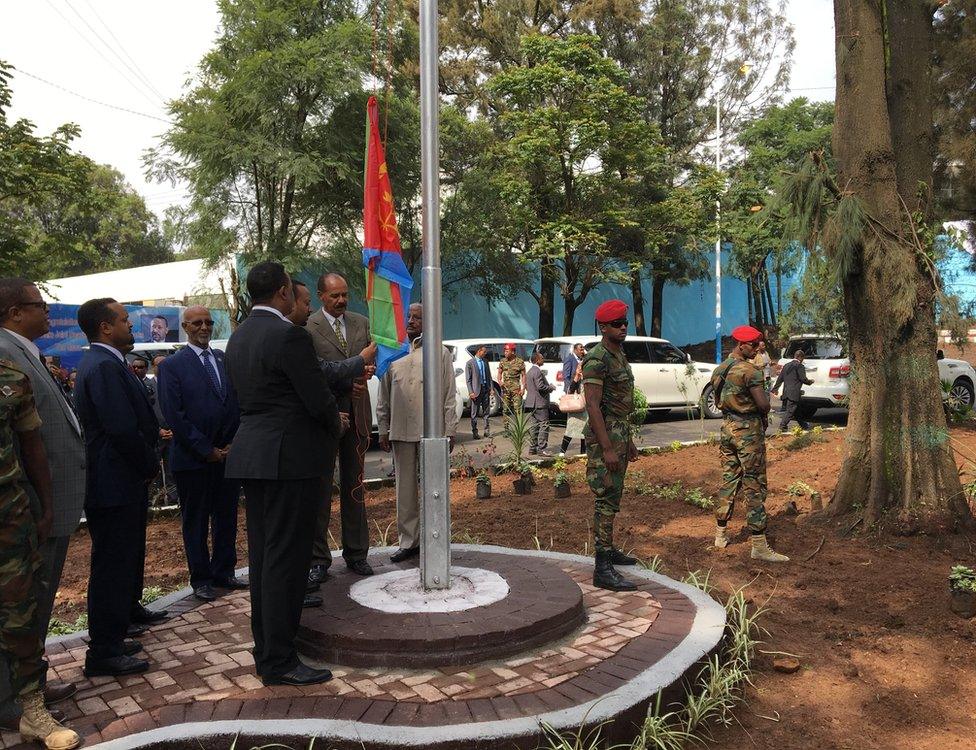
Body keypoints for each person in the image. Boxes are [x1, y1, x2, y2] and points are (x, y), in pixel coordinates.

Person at [223, 262, 345, 687]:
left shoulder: (238, 337)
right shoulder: (289, 335)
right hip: (289, 460)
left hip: (253, 457)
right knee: (286, 562)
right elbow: (316, 398)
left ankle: (268, 650)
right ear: (281, 293)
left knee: (264, 559)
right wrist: (336, 424)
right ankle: (278, 660)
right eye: (295, 293)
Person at [0, 279, 84, 726]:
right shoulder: (5, 355)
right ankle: (12, 699)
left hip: (44, 503)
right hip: (24, 510)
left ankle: (32, 683)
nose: (47, 312)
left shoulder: (21, 351)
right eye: (39, 305)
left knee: (38, 601)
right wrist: (39, 505)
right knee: (22, 605)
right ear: (15, 312)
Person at [74, 298, 163, 678]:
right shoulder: (103, 366)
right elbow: (122, 428)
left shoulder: (108, 362)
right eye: (125, 320)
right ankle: (104, 651)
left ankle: (116, 631)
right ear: (106, 328)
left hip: (120, 479)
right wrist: (148, 463)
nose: (131, 326)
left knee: (122, 559)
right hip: (114, 481)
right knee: (111, 565)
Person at [157, 306, 244, 603]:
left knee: (226, 516)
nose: (204, 327)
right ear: (185, 327)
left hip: (227, 456)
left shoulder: (223, 359)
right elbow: (174, 414)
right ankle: (202, 579)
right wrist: (206, 450)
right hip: (193, 460)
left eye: (208, 322)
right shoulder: (172, 366)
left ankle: (224, 571)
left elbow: (234, 403)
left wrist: (230, 444)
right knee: (196, 522)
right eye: (197, 323)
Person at [305, 274, 376, 582]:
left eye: (345, 295)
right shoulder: (307, 328)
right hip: (325, 418)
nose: (341, 300)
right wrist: (350, 380)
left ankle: (357, 553)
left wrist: (366, 374)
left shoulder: (361, 323)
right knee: (320, 491)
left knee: (355, 486)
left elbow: (371, 363)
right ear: (321, 295)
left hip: (358, 414)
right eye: (334, 296)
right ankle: (319, 560)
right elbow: (313, 374)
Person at [377, 303, 458, 563]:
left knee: (434, 487)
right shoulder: (393, 353)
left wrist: (450, 428)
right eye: (409, 317)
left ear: (429, 321)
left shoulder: (439, 352)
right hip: (401, 429)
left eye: (418, 317)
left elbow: (448, 393)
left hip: (431, 431)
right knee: (405, 490)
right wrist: (383, 427)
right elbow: (384, 394)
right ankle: (409, 542)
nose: (411, 321)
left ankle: (435, 538)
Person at [712, 325, 788, 562]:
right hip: (748, 432)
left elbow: (717, 399)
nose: (757, 349)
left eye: (758, 345)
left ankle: (720, 534)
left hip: (727, 429)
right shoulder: (750, 371)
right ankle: (759, 544)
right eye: (753, 345)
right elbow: (764, 405)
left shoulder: (720, 368)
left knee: (729, 479)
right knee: (754, 483)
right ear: (741, 344)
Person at [582, 300, 639, 592]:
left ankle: (609, 549)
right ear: (603, 327)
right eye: (617, 324)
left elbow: (619, 405)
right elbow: (592, 405)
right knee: (604, 497)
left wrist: (626, 441)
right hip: (604, 436)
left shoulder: (618, 355)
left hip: (618, 431)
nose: (623, 328)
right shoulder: (597, 358)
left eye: (625, 323)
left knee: (613, 496)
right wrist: (606, 447)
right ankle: (602, 568)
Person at [131, 357, 177, 506]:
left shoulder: (174, 383)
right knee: (153, 469)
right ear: (153, 367)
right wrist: (158, 430)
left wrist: (175, 429)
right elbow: (143, 413)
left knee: (172, 469)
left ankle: (172, 498)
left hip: (173, 434)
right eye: (159, 365)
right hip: (155, 436)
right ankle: (152, 500)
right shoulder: (145, 385)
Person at [771, 349, 814, 432]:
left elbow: (780, 378)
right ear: (800, 357)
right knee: (790, 410)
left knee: (797, 410)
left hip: (786, 391)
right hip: (794, 392)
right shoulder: (799, 366)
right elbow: (803, 378)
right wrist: (810, 382)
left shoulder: (786, 365)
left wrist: (775, 388)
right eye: (803, 358)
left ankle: (803, 425)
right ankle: (782, 426)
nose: (802, 361)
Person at [525, 351, 555, 456]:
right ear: (537, 360)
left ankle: (532, 448)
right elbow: (540, 387)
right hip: (540, 403)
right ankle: (542, 449)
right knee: (544, 425)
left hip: (531, 403)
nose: (543, 360)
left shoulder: (529, 371)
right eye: (542, 358)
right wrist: (550, 388)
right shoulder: (537, 371)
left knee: (534, 426)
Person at [560, 343, 587, 456]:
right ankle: (562, 452)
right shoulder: (576, 377)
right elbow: (569, 385)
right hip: (576, 403)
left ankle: (583, 452)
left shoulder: (588, 378)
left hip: (585, 406)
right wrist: (576, 377)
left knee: (585, 431)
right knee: (570, 429)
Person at [465, 344, 492, 439]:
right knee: (474, 413)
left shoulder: (485, 361)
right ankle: (475, 432)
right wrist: (471, 392)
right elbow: (468, 380)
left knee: (486, 411)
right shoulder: (470, 363)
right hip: (476, 391)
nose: (485, 353)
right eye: (484, 352)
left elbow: (489, 376)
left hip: (485, 389)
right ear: (478, 351)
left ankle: (486, 430)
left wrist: (491, 388)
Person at [496, 343, 525, 424]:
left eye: (507, 351)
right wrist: (499, 381)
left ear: (512, 352)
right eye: (504, 351)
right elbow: (499, 373)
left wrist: (523, 388)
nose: (505, 353)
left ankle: (519, 430)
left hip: (516, 391)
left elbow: (523, 375)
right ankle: (506, 429)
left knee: (517, 410)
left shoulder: (520, 362)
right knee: (505, 409)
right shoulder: (503, 361)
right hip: (505, 390)